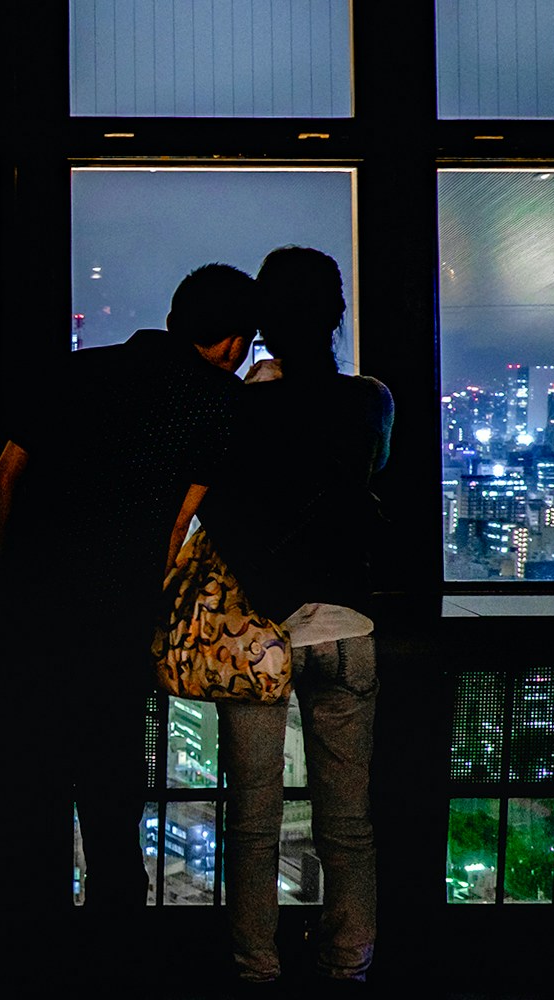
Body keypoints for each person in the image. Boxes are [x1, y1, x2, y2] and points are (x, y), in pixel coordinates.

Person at [0, 263, 257, 910]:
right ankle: (115, 959)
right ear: (230, 343)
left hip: (28, 620)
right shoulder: (217, 403)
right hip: (112, 627)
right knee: (111, 814)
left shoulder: (78, 370)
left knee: (29, 798)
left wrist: (15, 568)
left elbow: (8, 471)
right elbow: (174, 527)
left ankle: (20, 952)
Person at [200, 246, 393, 989]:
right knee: (348, 821)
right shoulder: (372, 399)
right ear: (337, 316)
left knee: (255, 822)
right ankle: (350, 961)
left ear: (263, 326)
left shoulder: (241, 407)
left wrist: (257, 386)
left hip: (259, 632)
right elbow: (371, 480)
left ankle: (256, 963)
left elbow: (220, 500)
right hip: (349, 627)